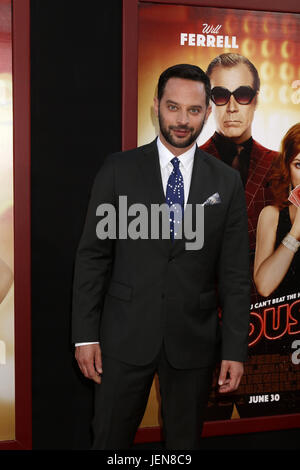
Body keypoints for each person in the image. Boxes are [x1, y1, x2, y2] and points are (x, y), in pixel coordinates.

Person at [72, 64, 251, 450]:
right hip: (123, 338)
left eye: (193, 110)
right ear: (156, 106)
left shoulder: (226, 182)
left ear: (206, 112)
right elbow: (93, 257)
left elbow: (235, 275)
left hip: (194, 341)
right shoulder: (118, 170)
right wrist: (85, 335)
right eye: (173, 107)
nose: (182, 120)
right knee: (108, 443)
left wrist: (235, 350)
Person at [200, 53, 278, 253]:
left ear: (256, 100)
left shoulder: (281, 164)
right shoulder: (187, 164)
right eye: (220, 95)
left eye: (242, 94)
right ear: (208, 101)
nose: (232, 108)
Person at [254, 123, 300, 298]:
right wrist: (295, 232)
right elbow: (264, 287)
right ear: (287, 167)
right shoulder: (271, 216)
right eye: (299, 165)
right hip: (283, 322)